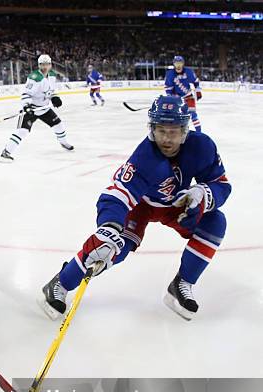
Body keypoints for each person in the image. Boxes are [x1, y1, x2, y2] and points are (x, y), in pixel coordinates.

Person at [39, 95, 231, 322]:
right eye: (161, 131)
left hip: (176, 205)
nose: (167, 139)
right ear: (152, 129)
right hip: (141, 206)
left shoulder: (202, 147)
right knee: (110, 250)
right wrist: (109, 227)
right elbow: (116, 196)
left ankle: (182, 283)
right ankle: (60, 282)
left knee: (215, 221)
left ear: (185, 130)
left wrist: (201, 194)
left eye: (174, 132)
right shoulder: (144, 158)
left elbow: (221, 184)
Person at [0, 54, 73, 162]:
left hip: (44, 108)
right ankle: (6, 152)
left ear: (50, 65)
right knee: (22, 131)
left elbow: (51, 91)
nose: (44, 67)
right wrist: (27, 106)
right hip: (31, 109)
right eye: (42, 64)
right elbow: (25, 93)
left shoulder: (52, 75)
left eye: (47, 64)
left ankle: (63, 142)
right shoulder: (34, 77)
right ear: (39, 65)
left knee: (58, 125)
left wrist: (55, 97)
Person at [165, 56, 202, 132]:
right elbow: (168, 89)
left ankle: (199, 133)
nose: (178, 65)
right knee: (178, 117)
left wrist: (198, 91)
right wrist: (172, 97)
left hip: (188, 97)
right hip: (177, 99)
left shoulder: (188, 71)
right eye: (176, 63)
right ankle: (179, 133)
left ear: (183, 64)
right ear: (174, 64)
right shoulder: (170, 74)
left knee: (193, 115)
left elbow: (196, 82)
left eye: (180, 63)